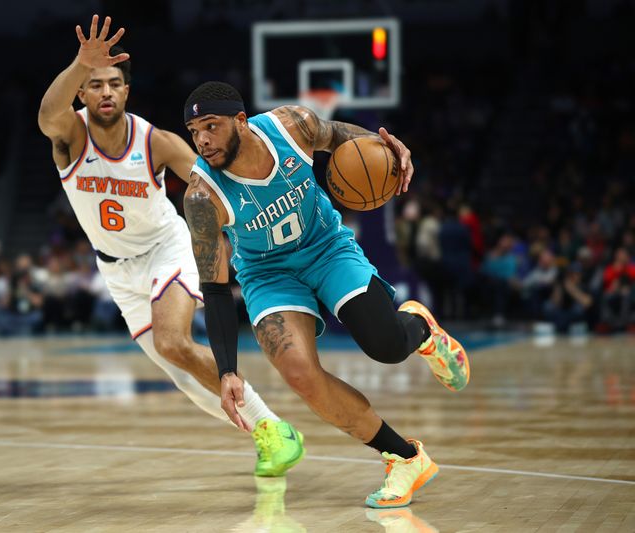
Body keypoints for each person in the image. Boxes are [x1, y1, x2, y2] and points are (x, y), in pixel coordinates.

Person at [37, 15, 304, 476]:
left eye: (113, 84)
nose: (104, 92)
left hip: (167, 247)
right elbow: (45, 115)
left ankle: (273, 429)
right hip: (116, 270)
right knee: (184, 378)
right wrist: (80, 62)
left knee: (173, 342)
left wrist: (264, 209)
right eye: (94, 84)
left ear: (125, 92)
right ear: (81, 92)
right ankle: (269, 431)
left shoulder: (155, 141)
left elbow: (216, 180)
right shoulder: (70, 137)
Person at [182, 81, 470, 508]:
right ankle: (405, 457)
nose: (203, 139)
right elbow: (216, 287)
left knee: (387, 348)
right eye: (194, 131)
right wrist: (227, 370)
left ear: (241, 120)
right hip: (267, 273)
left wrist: (389, 149)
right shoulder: (202, 197)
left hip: (325, 247)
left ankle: (421, 329)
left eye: (211, 125)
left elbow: (341, 137)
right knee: (299, 373)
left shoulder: (292, 126)